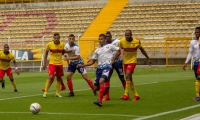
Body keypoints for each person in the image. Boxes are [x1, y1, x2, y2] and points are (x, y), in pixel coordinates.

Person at [77, 34, 121, 107]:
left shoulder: (110, 46)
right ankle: (105, 88)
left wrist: (114, 59)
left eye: (101, 39)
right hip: (99, 69)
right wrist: (82, 65)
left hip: (107, 67)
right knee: (95, 88)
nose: (100, 40)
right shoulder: (97, 50)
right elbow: (92, 61)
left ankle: (100, 101)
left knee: (101, 81)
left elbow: (119, 50)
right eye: (99, 39)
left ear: (104, 40)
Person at [120, 30, 151, 101]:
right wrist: (118, 57)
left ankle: (126, 94)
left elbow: (142, 50)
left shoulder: (136, 41)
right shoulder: (122, 41)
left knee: (127, 75)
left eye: (128, 35)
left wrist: (148, 58)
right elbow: (120, 49)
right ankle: (136, 95)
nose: (126, 37)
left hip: (133, 61)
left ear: (131, 35)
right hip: (125, 62)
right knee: (129, 79)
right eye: (125, 35)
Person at [42, 33, 74, 98]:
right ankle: (45, 92)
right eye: (55, 38)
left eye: (57, 38)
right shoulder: (49, 44)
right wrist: (44, 64)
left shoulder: (62, 44)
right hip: (52, 63)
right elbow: (45, 54)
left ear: (59, 38)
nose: (56, 39)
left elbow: (63, 51)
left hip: (59, 64)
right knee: (51, 77)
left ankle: (57, 93)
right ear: (53, 38)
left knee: (59, 78)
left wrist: (70, 51)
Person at [102, 31, 126, 101]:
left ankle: (126, 94)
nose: (107, 38)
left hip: (118, 62)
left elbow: (121, 49)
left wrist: (120, 56)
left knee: (121, 78)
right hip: (109, 63)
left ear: (111, 37)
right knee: (107, 78)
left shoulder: (117, 42)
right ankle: (107, 96)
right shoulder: (104, 45)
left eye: (108, 36)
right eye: (106, 37)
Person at [183, 27, 200, 101]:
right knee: (197, 79)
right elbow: (190, 53)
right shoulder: (193, 42)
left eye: (198, 32)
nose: (196, 34)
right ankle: (198, 95)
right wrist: (186, 62)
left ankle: (197, 96)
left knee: (198, 78)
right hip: (196, 62)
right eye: (195, 32)